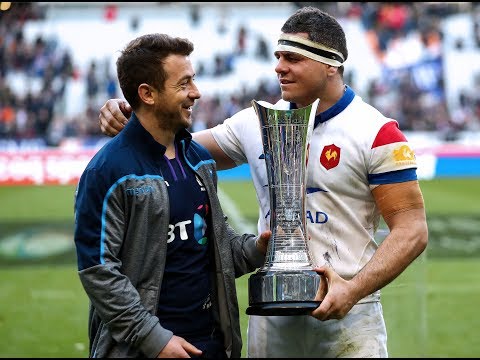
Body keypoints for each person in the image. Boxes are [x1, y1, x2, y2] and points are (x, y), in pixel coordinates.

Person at [97, 6, 428, 358]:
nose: (278, 67)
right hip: (271, 316)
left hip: (349, 317)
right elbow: (174, 145)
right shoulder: (255, 123)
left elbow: (412, 229)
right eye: (278, 56)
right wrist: (132, 113)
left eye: (293, 58)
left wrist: (352, 289)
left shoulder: (377, 133)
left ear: (331, 63)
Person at [74, 33, 271, 358]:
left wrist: (257, 249)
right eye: (183, 84)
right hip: (143, 349)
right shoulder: (107, 172)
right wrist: (154, 340)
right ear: (147, 94)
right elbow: (98, 272)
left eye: (193, 80)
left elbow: (216, 249)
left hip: (210, 345)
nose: (196, 93)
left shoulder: (199, 159)